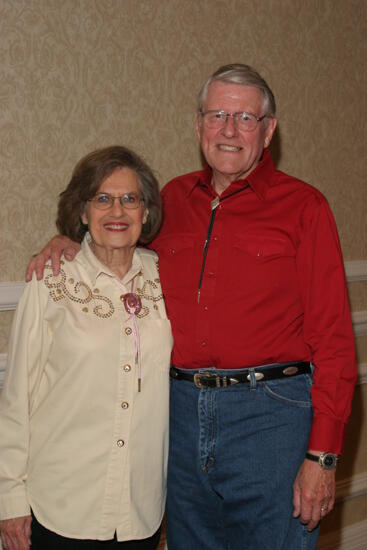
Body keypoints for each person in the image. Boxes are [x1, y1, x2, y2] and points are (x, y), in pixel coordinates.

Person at [24, 64, 357, 550]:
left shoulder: (305, 208)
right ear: (198, 123)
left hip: (270, 417)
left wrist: (323, 456)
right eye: (217, 114)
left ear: (269, 130)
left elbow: (334, 342)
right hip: (177, 416)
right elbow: (114, 237)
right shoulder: (170, 201)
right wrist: (67, 239)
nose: (228, 130)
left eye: (245, 118)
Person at [0, 146, 172, 550]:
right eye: (102, 199)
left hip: (140, 508)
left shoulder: (168, 278)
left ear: (145, 212)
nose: (117, 211)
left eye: (130, 199)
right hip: (62, 505)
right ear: (82, 212)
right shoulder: (51, 281)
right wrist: (9, 497)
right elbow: (16, 400)